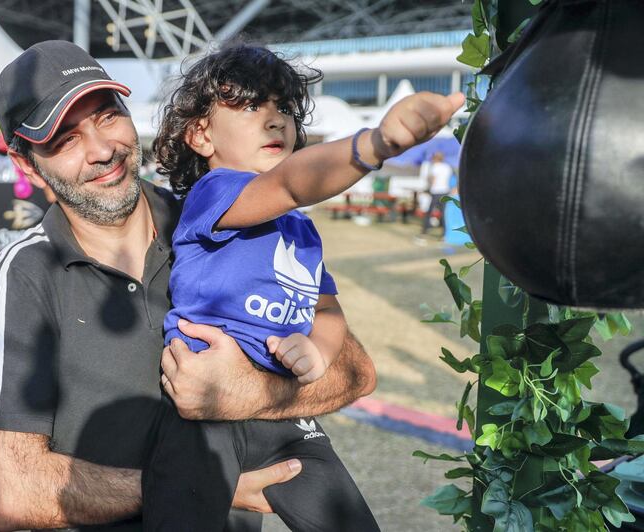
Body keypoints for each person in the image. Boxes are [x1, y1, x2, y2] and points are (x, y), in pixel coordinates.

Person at [0, 40, 378, 531]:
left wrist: (252, 393)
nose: (102, 150)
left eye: (106, 116)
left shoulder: (222, 217)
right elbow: (12, 492)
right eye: (65, 139)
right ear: (28, 165)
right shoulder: (26, 269)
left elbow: (355, 372)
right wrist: (201, 480)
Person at [141, 44, 463, 531]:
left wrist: (317, 351)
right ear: (201, 134)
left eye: (285, 108)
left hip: (282, 413)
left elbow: (328, 311)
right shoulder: (215, 192)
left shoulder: (300, 230)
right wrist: (373, 144)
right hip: (201, 415)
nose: (275, 120)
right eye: (251, 105)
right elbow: (291, 183)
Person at [420, 151, 454, 237]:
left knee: (429, 212)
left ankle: (424, 231)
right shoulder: (447, 167)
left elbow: (433, 180)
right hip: (445, 191)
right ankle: (444, 234)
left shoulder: (435, 167)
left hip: (436, 191)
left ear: (435, 158)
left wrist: (428, 183)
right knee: (443, 213)